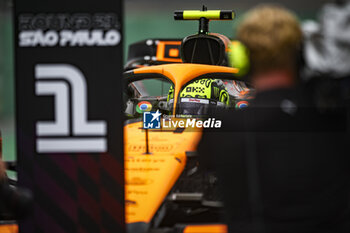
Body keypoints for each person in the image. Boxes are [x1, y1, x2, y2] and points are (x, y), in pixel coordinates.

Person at [197, 4, 350, 233]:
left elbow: (205, 162)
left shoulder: (222, 127)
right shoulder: (334, 119)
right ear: (300, 55)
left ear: (242, 59)